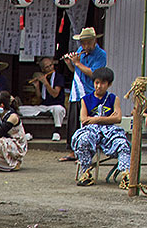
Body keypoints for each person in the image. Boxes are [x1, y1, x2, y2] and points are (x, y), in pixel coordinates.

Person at [71, 66, 130, 187]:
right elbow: (84, 119)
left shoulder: (114, 99)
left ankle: (126, 175)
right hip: (91, 130)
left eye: (103, 83)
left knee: (123, 144)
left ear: (109, 84)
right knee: (83, 140)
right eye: (97, 83)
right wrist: (107, 119)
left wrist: (95, 119)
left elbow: (118, 118)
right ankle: (86, 172)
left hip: (110, 131)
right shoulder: (86, 99)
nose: (99, 86)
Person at [61, 27, 107, 162]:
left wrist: (77, 63)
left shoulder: (100, 54)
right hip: (76, 90)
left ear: (94, 41)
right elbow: (76, 70)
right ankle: (72, 151)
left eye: (88, 43)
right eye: (83, 43)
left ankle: (85, 152)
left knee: (87, 123)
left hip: (89, 91)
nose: (85, 46)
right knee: (73, 121)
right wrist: (70, 63)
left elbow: (95, 73)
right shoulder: (81, 51)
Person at [19, 57, 67, 141]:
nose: (50, 68)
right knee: (20, 109)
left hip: (56, 105)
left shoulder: (59, 77)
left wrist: (45, 83)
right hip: (43, 107)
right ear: (42, 69)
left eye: (51, 65)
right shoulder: (43, 78)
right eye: (47, 67)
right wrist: (37, 86)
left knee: (58, 109)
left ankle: (57, 131)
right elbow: (39, 100)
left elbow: (55, 94)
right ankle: (26, 132)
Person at [0, 91, 28, 172]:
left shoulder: (12, 116)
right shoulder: (0, 115)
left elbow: (0, 132)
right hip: (6, 140)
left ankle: (13, 163)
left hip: (16, 144)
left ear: (1, 105)